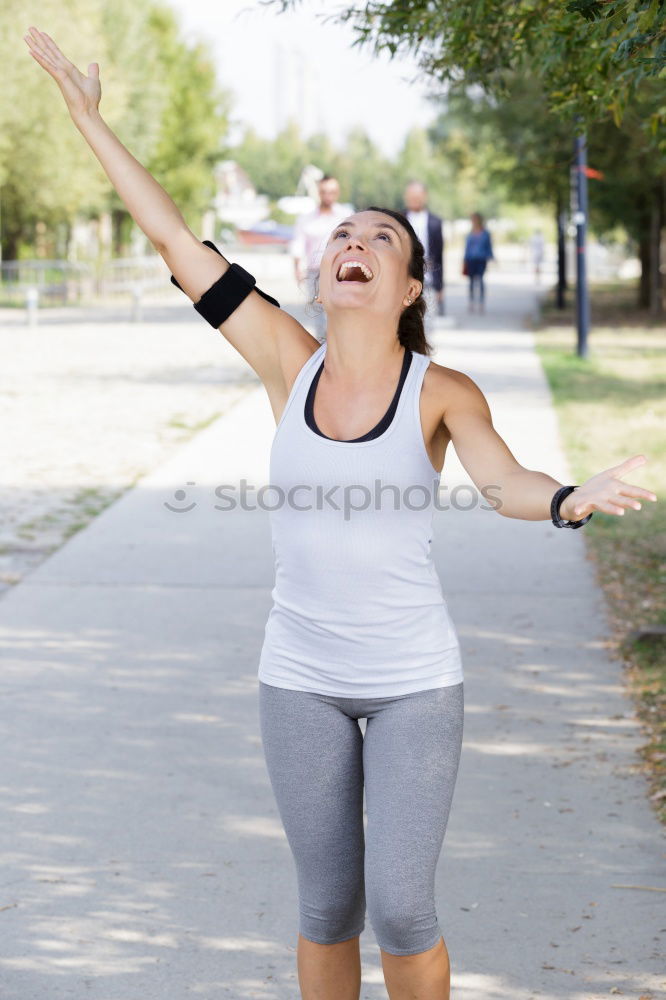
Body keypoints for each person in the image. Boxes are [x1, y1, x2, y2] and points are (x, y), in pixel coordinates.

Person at [26, 27, 658, 1000]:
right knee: (327, 908)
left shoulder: (440, 389)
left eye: (382, 238)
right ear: (326, 270)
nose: (355, 243)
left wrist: (571, 498)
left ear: (409, 289)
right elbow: (173, 240)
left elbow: (503, 480)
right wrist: (85, 117)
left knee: (404, 909)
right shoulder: (286, 354)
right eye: (345, 236)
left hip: (414, 680)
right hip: (301, 678)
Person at [290, 174, 349, 342]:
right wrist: (296, 268)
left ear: (337, 193)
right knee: (319, 318)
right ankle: (323, 356)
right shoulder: (306, 219)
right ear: (319, 192)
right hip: (315, 274)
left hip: (342, 274)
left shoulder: (346, 216)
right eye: (324, 191)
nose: (328, 195)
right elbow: (298, 244)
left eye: (332, 191)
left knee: (341, 317)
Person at [403, 180, 445, 321]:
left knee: (428, 325)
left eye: (417, 196)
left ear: (424, 197)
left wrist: (440, 286)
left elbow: (439, 255)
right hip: (403, 280)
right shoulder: (398, 219)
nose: (414, 200)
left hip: (428, 282)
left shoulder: (435, 222)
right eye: (411, 196)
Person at [463, 212, 494, 313]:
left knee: (480, 280)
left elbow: (489, 246)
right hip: (471, 260)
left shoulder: (486, 233)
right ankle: (471, 302)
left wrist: (491, 257)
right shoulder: (470, 233)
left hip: (481, 260)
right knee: (471, 282)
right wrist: (464, 260)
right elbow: (467, 249)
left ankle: (481, 303)